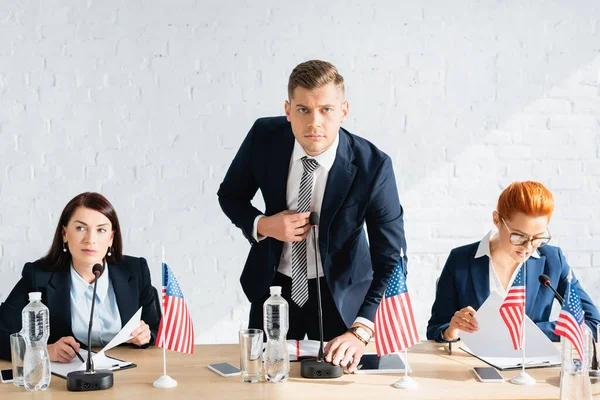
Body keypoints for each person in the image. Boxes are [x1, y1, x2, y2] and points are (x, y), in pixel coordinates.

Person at [217, 60, 407, 372]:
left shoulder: (374, 167)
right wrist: (264, 224)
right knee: (264, 377)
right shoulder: (264, 137)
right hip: (274, 288)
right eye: (303, 109)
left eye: (326, 110)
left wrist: (361, 330)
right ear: (288, 109)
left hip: (340, 296)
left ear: (343, 111)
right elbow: (231, 195)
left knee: (337, 384)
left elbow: (392, 259)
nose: (314, 122)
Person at [427, 181, 600, 343]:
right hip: (473, 367)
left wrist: (521, 332)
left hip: (533, 369)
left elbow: (593, 324)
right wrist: (451, 331)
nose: (529, 247)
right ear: (497, 220)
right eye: (518, 236)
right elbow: (435, 328)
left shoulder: (554, 261)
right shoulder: (460, 260)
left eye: (538, 237)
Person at [0, 192, 160, 362]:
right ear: (64, 234)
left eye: (101, 230)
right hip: (66, 380)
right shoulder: (38, 276)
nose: (90, 239)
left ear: (111, 238)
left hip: (129, 375)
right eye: (80, 228)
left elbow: (158, 330)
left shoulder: (136, 271)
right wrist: (44, 351)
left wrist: (147, 335)